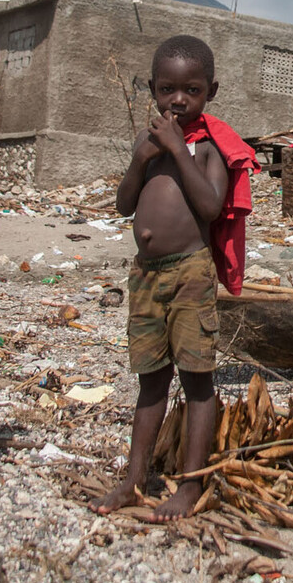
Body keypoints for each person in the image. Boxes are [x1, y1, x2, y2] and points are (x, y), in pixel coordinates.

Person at [93, 35, 255, 520]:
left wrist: (178, 150)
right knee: (150, 380)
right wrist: (143, 158)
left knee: (198, 379)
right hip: (146, 276)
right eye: (167, 90)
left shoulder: (209, 150)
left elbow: (209, 206)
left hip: (189, 274)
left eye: (191, 91)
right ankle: (133, 478)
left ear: (211, 92)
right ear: (152, 88)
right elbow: (124, 205)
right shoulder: (148, 145)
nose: (178, 100)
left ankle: (189, 485)